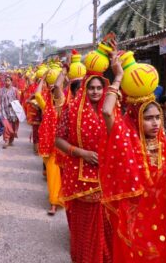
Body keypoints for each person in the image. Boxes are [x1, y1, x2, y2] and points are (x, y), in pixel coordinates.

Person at [101, 49, 166, 262]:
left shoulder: (162, 141)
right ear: (136, 119)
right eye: (149, 118)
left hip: (162, 211)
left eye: (157, 118)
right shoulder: (125, 134)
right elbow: (107, 112)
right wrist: (118, 78)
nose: (155, 123)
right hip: (133, 212)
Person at [55, 74, 112, 263]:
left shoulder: (111, 111)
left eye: (99, 88)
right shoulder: (71, 110)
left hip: (108, 177)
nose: (95, 91)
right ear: (84, 89)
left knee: (109, 227)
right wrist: (81, 153)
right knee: (85, 227)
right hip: (80, 178)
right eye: (91, 88)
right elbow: (58, 139)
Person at [35, 72, 65, 215]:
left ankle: (58, 201)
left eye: (56, 92)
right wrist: (42, 79)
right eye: (52, 92)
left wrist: (63, 78)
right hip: (48, 147)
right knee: (52, 176)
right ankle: (55, 200)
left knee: (60, 175)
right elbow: (37, 95)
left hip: (61, 148)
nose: (54, 94)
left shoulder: (63, 106)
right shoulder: (46, 106)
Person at [0, 75, 20, 148]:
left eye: (8, 81)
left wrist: (14, 105)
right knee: (5, 125)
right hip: (3, 110)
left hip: (13, 111)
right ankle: (6, 140)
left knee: (12, 126)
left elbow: (19, 100)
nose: (7, 82)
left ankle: (11, 139)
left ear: (11, 81)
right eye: (6, 81)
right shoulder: (1, 90)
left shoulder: (15, 90)